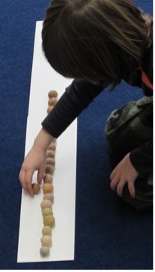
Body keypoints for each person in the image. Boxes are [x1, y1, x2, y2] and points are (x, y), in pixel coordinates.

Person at [19, 0, 153, 210]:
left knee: (133, 191)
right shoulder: (123, 46)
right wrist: (40, 144)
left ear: (104, 59)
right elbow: (82, 91)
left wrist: (138, 161)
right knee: (116, 132)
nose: (87, 80)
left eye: (85, 73)